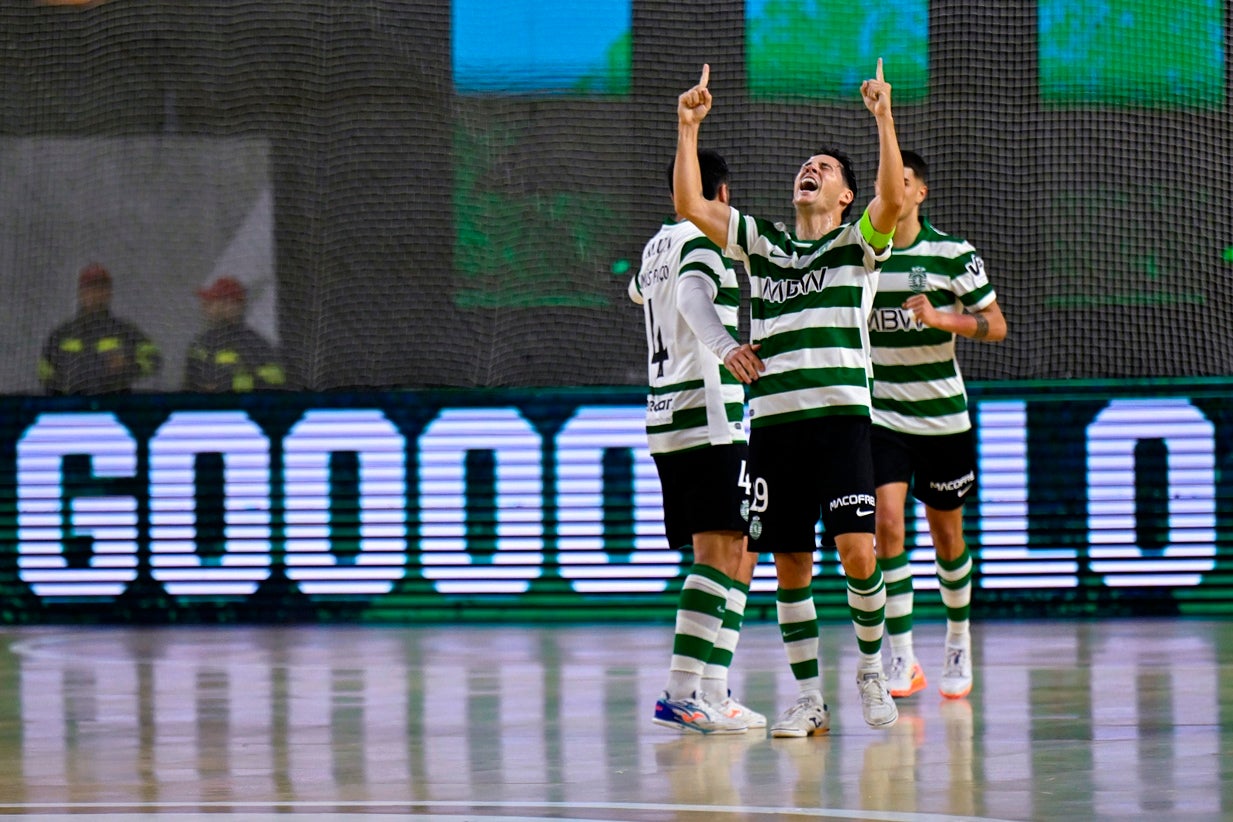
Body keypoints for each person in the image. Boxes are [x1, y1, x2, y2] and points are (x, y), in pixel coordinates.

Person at [673, 60, 906, 734]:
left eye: (825, 169)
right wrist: (688, 128)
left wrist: (883, 117)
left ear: (842, 198)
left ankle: (869, 671)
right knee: (789, 565)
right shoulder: (764, 245)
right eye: (804, 166)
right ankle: (807, 699)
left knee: (858, 552)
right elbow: (692, 205)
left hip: (840, 423)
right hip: (773, 428)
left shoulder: (856, 245)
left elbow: (890, 201)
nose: (810, 170)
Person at [634, 148, 768, 734]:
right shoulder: (703, 240)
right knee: (721, 553)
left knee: (740, 551)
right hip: (709, 416)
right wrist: (726, 346)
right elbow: (691, 297)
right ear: (722, 195)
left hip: (668, 414)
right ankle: (681, 692)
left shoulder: (655, 245)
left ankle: (713, 688)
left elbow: (640, 294)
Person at [869, 150, 1006, 700]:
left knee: (947, 537)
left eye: (901, 182)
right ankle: (901, 654)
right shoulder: (862, 255)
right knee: (886, 524)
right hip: (883, 414)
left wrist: (941, 317)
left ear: (919, 193)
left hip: (943, 415)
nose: (892, 189)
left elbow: (995, 326)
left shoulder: (953, 254)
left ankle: (957, 637)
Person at [38, 263, 162, 395]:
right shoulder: (62, 334)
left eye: (101, 288)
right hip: (72, 408)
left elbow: (153, 359)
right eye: (90, 288)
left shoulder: (125, 331)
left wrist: (128, 365)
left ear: (109, 293)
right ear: (81, 293)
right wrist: (60, 391)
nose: (95, 294)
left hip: (114, 404)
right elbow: (44, 371)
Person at [183, 276, 286, 392]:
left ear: (231, 306)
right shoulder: (200, 343)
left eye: (212, 301)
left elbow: (274, 385)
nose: (205, 307)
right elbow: (188, 383)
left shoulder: (255, 345)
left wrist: (228, 388)